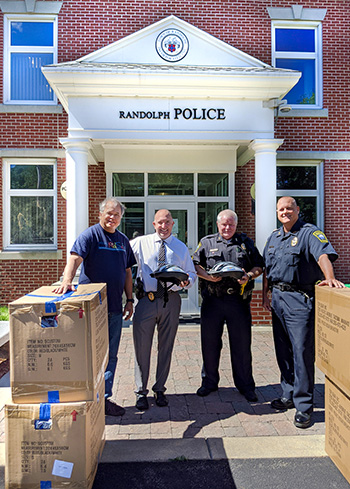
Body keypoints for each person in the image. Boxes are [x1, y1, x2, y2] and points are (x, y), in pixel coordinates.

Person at [262, 196, 344, 428]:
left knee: (301, 352)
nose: (285, 212)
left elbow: (323, 256)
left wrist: (330, 279)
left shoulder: (309, 233)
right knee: (283, 351)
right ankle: (288, 394)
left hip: (299, 299)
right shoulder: (274, 237)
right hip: (277, 299)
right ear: (276, 212)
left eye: (289, 208)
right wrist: (264, 295)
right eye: (281, 209)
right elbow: (269, 269)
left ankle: (304, 406)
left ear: (297, 210)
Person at [54, 197, 136, 417]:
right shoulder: (90, 235)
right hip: (91, 309)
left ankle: (104, 399)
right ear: (100, 214)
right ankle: (82, 398)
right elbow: (74, 258)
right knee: (87, 353)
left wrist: (129, 300)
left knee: (111, 355)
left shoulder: (122, 240)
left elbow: (127, 272)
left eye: (116, 214)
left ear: (121, 218)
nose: (112, 217)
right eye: (109, 213)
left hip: (115, 309)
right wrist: (66, 280)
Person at [192, 209, 264, 402]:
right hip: (212, 302)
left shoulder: (245, 243)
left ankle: (246, 386)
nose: (227, 227)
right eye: (224, 224)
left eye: (231, 224)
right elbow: (194, 264)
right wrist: (207, 276)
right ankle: (209, 382)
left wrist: (248, 276)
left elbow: (259, 266)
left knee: (241, 345)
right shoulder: (207, 243)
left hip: (238, 302)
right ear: (217, 224)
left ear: (236, 225)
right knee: (209, 344)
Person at [130, 209, 196, 410]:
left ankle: (160, 389)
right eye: (160, 222)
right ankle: (141, 391)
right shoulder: (141, 243)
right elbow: (122, 257)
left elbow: (191, 273)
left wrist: (188, 281)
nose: (163, 226)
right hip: (146, 300)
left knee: (165, 347)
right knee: (142, 347)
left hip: (171, 301)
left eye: (167, 222)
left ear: (172, 224)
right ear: (153, 224)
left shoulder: (180, 247)